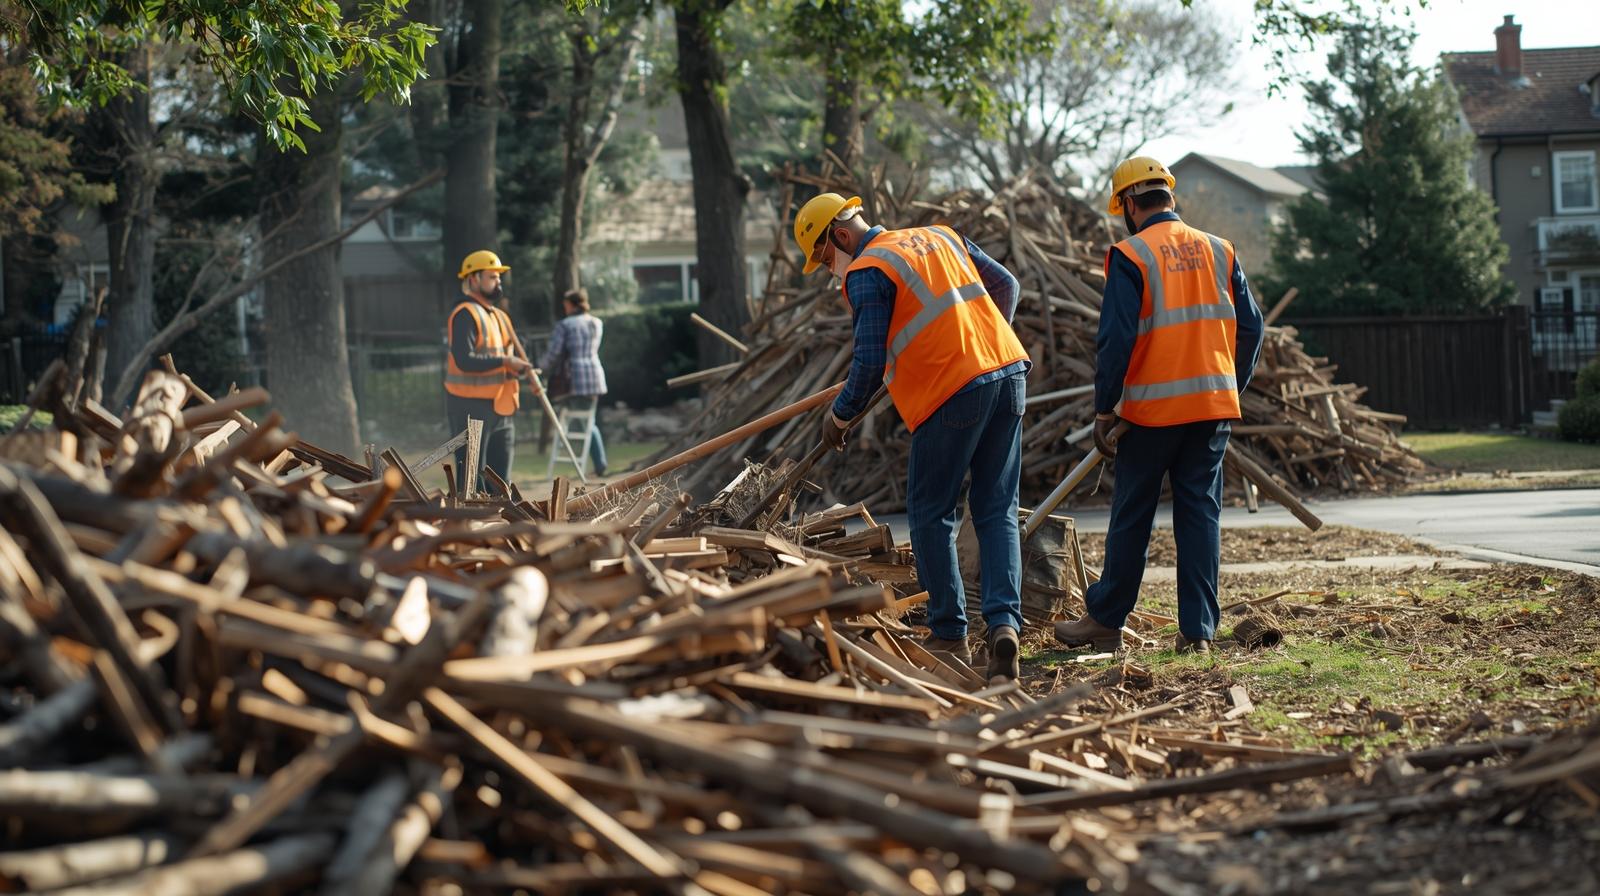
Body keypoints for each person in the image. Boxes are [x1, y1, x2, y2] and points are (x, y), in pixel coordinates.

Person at [792, 192, 1031, 682]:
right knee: (996, 509)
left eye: (823, 258)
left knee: (930, 512)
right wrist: (982, 346)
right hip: (1008, 373)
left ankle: (949, 633)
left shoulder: (867, 270)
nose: (828, 269)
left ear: (840, 236)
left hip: (952, 393)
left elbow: (868, 364)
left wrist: (838, 418)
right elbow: (1006, 284)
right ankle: (1005, 625)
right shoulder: (940, 235)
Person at [1053, 156, 1265, 655]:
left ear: (1128, 204)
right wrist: (1229, 385)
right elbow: (1252, 327)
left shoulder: (1132, 255)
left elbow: (1116, 340)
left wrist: (1105, 409)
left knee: (1132, 514)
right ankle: (1198, 633)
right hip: (1211, 408)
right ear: (1170, 195)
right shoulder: (1220, 250)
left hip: (1150, 414)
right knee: (1200, 514)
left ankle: (1106, 619)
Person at [444, 250, 531, 494]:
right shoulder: (465, 314)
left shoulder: (498, 316)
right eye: (492, 277)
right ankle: (470, 526)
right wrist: (506, 361)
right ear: (472, 279)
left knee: (499, 481)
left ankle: (499, 527)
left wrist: (517, 369)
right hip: (470, 407)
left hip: (501, 406)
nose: (498, 282)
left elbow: (507, 355)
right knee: (471, 479)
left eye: (499, 277)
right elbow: (465, 360)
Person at [538, 287, 609, 476]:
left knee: (583, 422)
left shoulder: (566, 325)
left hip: (575, 377)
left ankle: (600, 463)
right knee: (586, 419)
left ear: (571, 304)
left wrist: (540, 368)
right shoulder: (596, 323)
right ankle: (599, 462)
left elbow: (554, 353)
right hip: (594, 375)